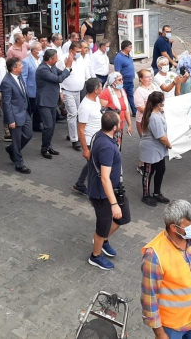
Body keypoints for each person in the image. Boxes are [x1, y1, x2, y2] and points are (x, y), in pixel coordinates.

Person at [141, 200, 191, 337]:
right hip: (172, 326)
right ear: (174, 228)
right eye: (188, 224)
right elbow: (149, 299)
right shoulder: (154, 256)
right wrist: (160, 334)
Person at [87, 111, 131, 270]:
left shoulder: (100, 135)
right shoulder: (106, 146)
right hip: (103, 194)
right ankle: (96, 256)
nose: (122, 124)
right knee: (103, 225)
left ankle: (103, 240)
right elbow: (104, 178)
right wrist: (113, 203)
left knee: (123, 217)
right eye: (120, 122)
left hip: (114, 189)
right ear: (114, 127)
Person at [36, 49, 72, 159]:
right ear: (50, 59)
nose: (57, 59)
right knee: (48, 126)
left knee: (52, 126)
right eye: (56, 58)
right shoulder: (42, 69)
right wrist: (67, 67)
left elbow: (61, 73)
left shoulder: (52, 67)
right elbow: (59, 79)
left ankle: (49, 146)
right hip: (44, 102)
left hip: (52, 101)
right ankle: (44, 148)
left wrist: (68, 68)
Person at [140, 91, 172, 207]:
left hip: (158, 150)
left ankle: (157, 193)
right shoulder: (154, 118)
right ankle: (146, 195)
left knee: (160, 170)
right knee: (149, 172)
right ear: (159, 104)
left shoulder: (157, 113)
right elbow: (161, 137)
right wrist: (170, 145)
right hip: (151, 150)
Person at [1, 58, 32, 174]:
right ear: (14, 68)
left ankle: (11, 149)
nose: (22, 67)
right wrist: (10, 120)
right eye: (20, 65)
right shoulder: (6, 82)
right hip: (15, 116)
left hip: (24, 112)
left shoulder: (19, 76)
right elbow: (6, 103)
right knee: (17, 140)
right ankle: (19, 163)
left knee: (28, 134)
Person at [61, 41, 88, 151]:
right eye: (77, 51)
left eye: (79, 51)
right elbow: (58, 75)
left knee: (78, 113)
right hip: (67, 91)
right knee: (72, 114)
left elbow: (84, 72)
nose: (79, 53)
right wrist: (60, 91)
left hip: (79, 90)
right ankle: (74, 140)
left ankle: (71, 133)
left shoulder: (81, 59)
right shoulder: (62, 59)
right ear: (71, 50)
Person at [99, 72, 132, 149]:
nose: (122, 81)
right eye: (119, 80)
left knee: (118, 148)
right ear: (112, 82)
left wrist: (129, 124)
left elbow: (126, 109)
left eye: (122, 79)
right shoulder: (106, 93)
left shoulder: (122, 91)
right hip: (110, 128)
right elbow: (102, 112)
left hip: (120, 126)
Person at [21, 42, 42, 132]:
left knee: (38, 109)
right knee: (30, 109)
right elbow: (24, 77)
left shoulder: (40, 60)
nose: (41, 51)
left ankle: (36, 125)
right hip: (31, 90)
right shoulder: (26, 61)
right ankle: (26, 127)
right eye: (40, 49)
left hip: (40, 89)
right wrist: (24, 91)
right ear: (34, 51)